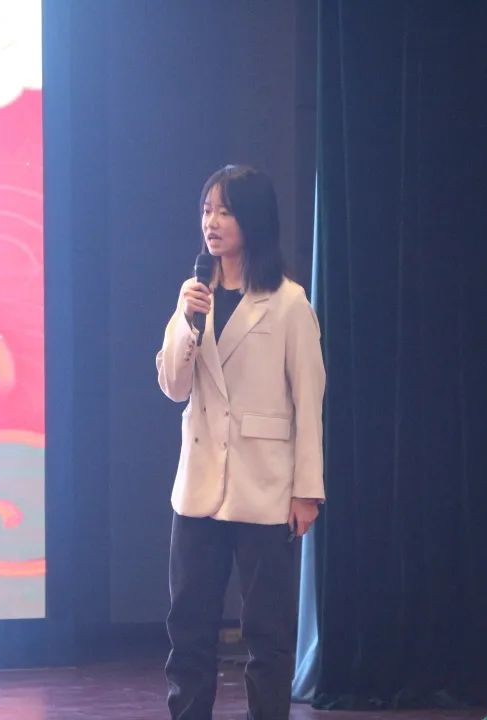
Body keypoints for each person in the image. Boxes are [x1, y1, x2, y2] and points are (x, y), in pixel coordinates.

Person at [156, 164, 326, 719]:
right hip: (199, 487)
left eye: (225, 211)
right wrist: (186, 321)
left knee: (267, 634)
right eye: (207, 210)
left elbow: (309, 403)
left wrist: (306, 491)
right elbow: (173, 386)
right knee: (189, 627)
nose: (212, 222)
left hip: (264, 485)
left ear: (252, 219)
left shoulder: (289, 302)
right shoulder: (194, 295)